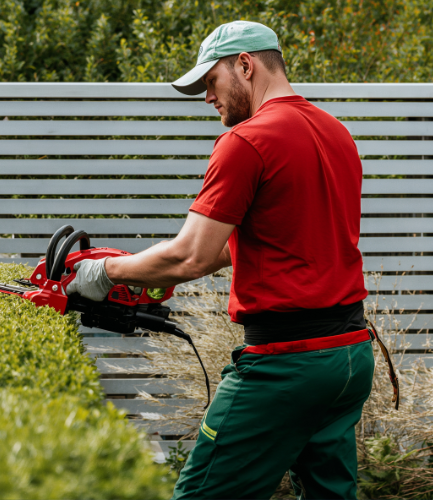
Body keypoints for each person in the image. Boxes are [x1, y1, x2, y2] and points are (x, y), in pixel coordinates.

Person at [67, 21, 375, 500]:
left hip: (285, 367)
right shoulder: (338, 135)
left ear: (245, 66)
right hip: (349, 357)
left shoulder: (246, 140)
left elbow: (191, 255)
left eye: (211, 82)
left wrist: (102, 272)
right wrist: (151, 270)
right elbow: (272, 240)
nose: (207, 97)